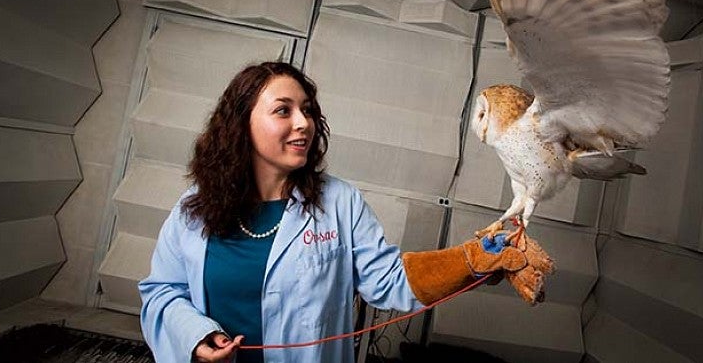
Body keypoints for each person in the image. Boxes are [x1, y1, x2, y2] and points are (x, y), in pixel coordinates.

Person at [139, 61, 553, 363]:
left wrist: (469, 261)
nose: (304, 123)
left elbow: (388, 281)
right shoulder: (192, 208)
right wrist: (196, 338)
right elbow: (161, 293)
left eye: (308, 110)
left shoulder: (339, 203)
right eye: (283, 110)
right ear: (240, 124)